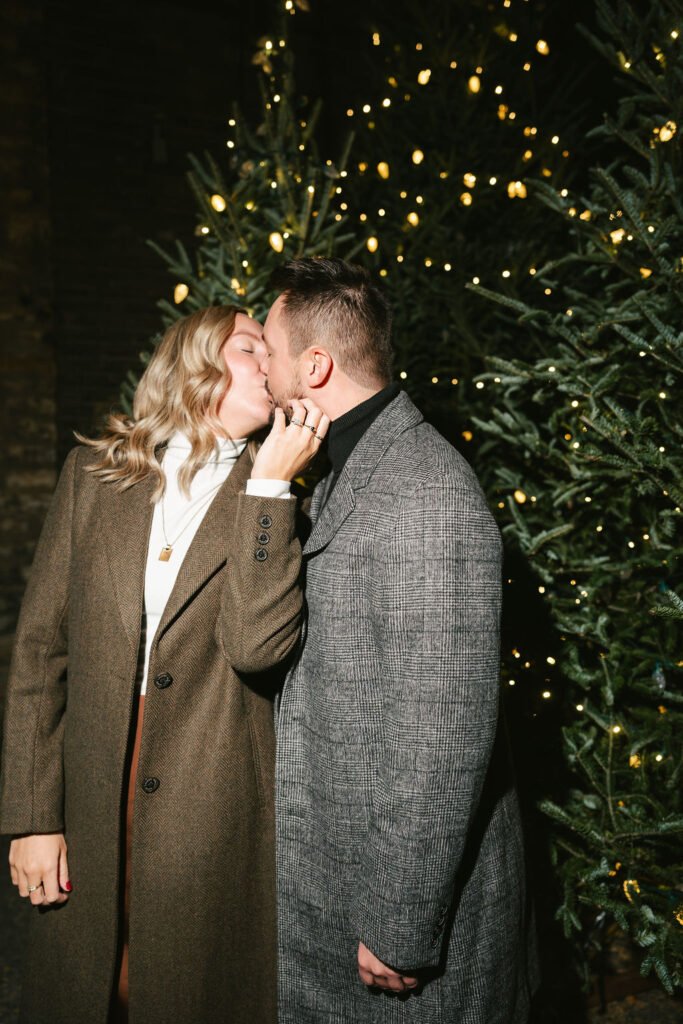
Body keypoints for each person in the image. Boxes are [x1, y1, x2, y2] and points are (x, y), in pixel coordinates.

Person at [0, 304, 329, 1024]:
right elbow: (38, 652)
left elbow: (259, 645)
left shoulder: (280, 502)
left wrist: (270, 489)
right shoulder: (93, 476)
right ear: (196, 360)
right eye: (252, 348)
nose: (271, 365)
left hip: (215, 809)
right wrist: (32, 817)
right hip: (90, 791)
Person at [248, 257, 539, 1023]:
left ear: (313, 365)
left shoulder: (425, 490)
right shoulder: (347, 471)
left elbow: (442, 728)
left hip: (391, 926)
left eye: (271, 353)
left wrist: (401, 925)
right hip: (338, 895)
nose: (266, 372)